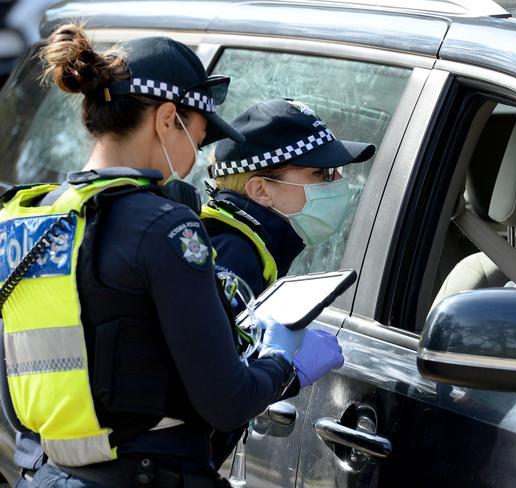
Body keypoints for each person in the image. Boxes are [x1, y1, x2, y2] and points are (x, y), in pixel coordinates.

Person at [0, 24, 341, 487]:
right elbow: (226, 401)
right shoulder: (165, 226)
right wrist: (283, 360)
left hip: (49, 474)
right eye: (197, 138)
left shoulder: (22, 218)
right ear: (166, 120)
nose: (196, 156)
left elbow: (15, 397)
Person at [200, 98, 375, 466]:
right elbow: (211, 388)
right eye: (321, 174)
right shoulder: (233, 255)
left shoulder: (249, 245)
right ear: (261, 190)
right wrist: (286, 374)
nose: (340, 184)